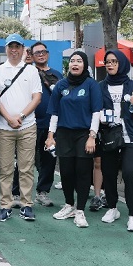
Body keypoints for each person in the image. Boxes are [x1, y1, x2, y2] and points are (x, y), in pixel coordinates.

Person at [47, 51, 102, 228]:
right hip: (64, 134)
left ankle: (80, 211)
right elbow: (54, 113)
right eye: (72, 61)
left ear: (85, 64)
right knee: (66, 172)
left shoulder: (91, 85)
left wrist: (92, 136)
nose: (75, 64)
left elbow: (96, 112)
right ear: (68, 65)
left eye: (79, 61)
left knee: (83, 172)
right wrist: (50, 136)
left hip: (84, 135)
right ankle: (69, 204)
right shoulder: (61, 85)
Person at [0, 34, 42, 222]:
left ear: (23, 50)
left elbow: (37, 97)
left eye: (18, 47)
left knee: (26, 167)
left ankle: (26, 204)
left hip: (27, 126)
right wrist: (8, 118)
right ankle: (5, 205)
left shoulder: (31, 71)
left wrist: (20, 116)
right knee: (5, 169)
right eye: (11, 47)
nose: (14, 50)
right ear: (6, 49)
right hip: (4, 127)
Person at [98, 49, 133, 232]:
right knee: (109, 173)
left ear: (122, 64)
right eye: (107, 62)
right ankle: (112, 208)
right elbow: (95, 111)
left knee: (129, 173)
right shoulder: (101, 86)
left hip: (131, 137)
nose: (110, 65)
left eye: (114, 61)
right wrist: (101, 118)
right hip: (110, 137)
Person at [29, 41, 63, 207]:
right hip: (29, 123)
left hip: (51, 125)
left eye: (43, 52)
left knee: (49, 160)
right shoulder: (28, 73)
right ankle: (17, 193)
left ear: (47, 54)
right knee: (24, 160)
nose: (41, 54)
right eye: (37, 52)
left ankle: (42, 192)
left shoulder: (58, 75)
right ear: (32, 56)